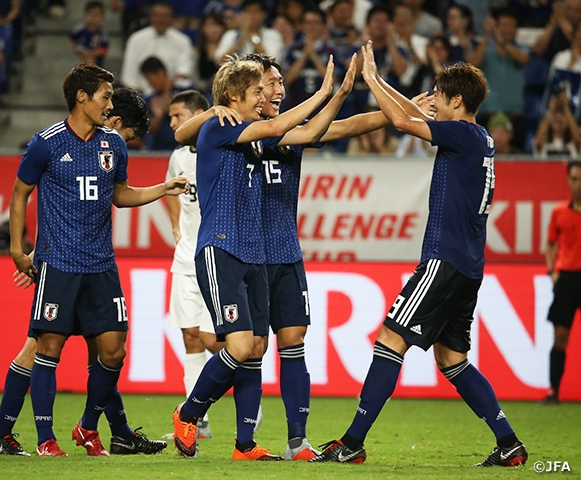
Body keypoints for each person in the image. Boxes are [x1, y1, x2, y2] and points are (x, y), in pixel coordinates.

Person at [175, 51, 434, 460]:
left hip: (276, 250)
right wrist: (330, 91)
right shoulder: (228, 125)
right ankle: (200, 417)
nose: (274, 89)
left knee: (282, 342)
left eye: (277, 83)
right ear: (246, 94)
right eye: (266, 85)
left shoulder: (280, 130)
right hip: (234, 246)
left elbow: (339, 126)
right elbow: (183, 133)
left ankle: (290, 442)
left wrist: (400, 110)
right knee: (247, 347)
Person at [311, 42, 529, 467]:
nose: (435, 102)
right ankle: (509, 444)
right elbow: (411, 115)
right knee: (453, 359)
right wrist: (394, 91)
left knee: (390, 340)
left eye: (440, 96)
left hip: (443, 260)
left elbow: (399, 121)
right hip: (468, 267)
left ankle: (352, 442)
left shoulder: (461, 133)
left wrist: (373, 80)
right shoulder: (477, 138)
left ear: (457, 101)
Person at [170, 53, 353, 461]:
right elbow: (276, 125)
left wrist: (339, 95)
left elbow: (304, 133)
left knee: (253, 347)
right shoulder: (219, 124)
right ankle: (188, 412)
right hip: (221, 249)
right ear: (235, 96)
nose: (263, 96)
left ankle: (245, 446)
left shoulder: (253, 133)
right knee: (237, 346)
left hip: (251, 252)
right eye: (256, 91)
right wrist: (323, 91)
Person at [6, 66, 188, 457]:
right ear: (82, 98)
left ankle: (88, 426)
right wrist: (18, 250)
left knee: (113, 351)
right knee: (48, 347)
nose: (110, 104)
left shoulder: (113, 144)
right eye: (105, 96)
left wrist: (163, 188)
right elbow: (20, 193)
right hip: (59, 263)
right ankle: (44, 440)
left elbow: (120, 195)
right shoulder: (46, 143)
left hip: (102, 265)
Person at [165, 90, 224, 439]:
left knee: (213, 338)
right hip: (185, 257)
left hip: (214, 256)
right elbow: (172, 191)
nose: (173, 123)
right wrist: (175, 225)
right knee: (190, 337)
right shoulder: (177, 156)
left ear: (200, 114)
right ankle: (195, 421)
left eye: (178, 115)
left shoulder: (221, 148)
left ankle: (251, 391)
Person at [543, 160, 581, 404]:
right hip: (566, 279)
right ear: (568, 180)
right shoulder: (559, 212)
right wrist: (552, 272)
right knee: (560, 336)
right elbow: (550, 244)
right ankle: (553, 391)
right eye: (574, 179)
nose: (578, 184)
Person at [121, 1, 194, 95]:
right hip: (140, 95)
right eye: (157, 15)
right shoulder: (136, 39)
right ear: (150, 17)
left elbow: (183, 71)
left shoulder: (183, 40)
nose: (161, 20)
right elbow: (129, 76)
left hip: (173, 94)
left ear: (172, 18)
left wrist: (167, 93)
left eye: (165, 16)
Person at [214, 0, 284, 64]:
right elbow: (220, 61)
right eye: (248, 12)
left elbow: (271, 61)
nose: (252, 16)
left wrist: (252, 36)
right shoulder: (231, 34)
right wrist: (241, 39)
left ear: (264, 14)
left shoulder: (272, 35)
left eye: (256, 12)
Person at [534, 87, 581, 158]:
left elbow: (578, 140)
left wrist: (566, 107)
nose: (558, 118)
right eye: (555, 115)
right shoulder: (544, 142)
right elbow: (538, 142)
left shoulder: (572, 143)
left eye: (562, 115)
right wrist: (551, 109)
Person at [69, 0, 109, 67]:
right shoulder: (79, 30)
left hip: (96, 62)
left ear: (102, 18)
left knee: (90, 61)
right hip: (81, 56)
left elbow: (104, 50)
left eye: (97, 15)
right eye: (90, 14)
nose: (93, 18)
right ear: (84, 15)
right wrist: (78, 51)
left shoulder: (102, 34)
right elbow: (72, 41)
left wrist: (91, 54)